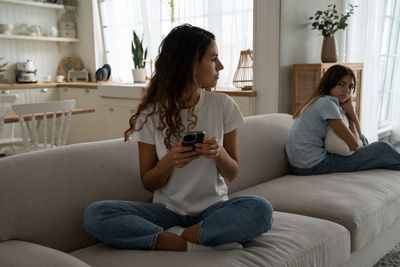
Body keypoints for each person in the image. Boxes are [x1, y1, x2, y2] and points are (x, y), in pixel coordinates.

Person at [83, 24, 273, 251]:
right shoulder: (151, 114)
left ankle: (180, 236)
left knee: (260, 209)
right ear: (190, 63)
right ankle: (193, 243)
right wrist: (169, 161)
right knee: (96, 214)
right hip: (166, 212)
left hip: (213, 210)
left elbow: (232, 173)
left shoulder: (223, 105)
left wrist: (219, 153)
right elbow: (148, 183)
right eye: (213, 59)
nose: (220, 66)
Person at [286, 64, 400, 176]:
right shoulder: (327, 104)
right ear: (330, 83)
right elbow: (354, 146)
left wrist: (351, 112)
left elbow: (359, 137)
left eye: (350, 87)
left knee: (365, 140)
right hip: (313, 166)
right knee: (383, 148)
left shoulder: (318, 100)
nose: (347, 91)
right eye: (341, 84)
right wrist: (351, 116)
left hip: (299, 166)